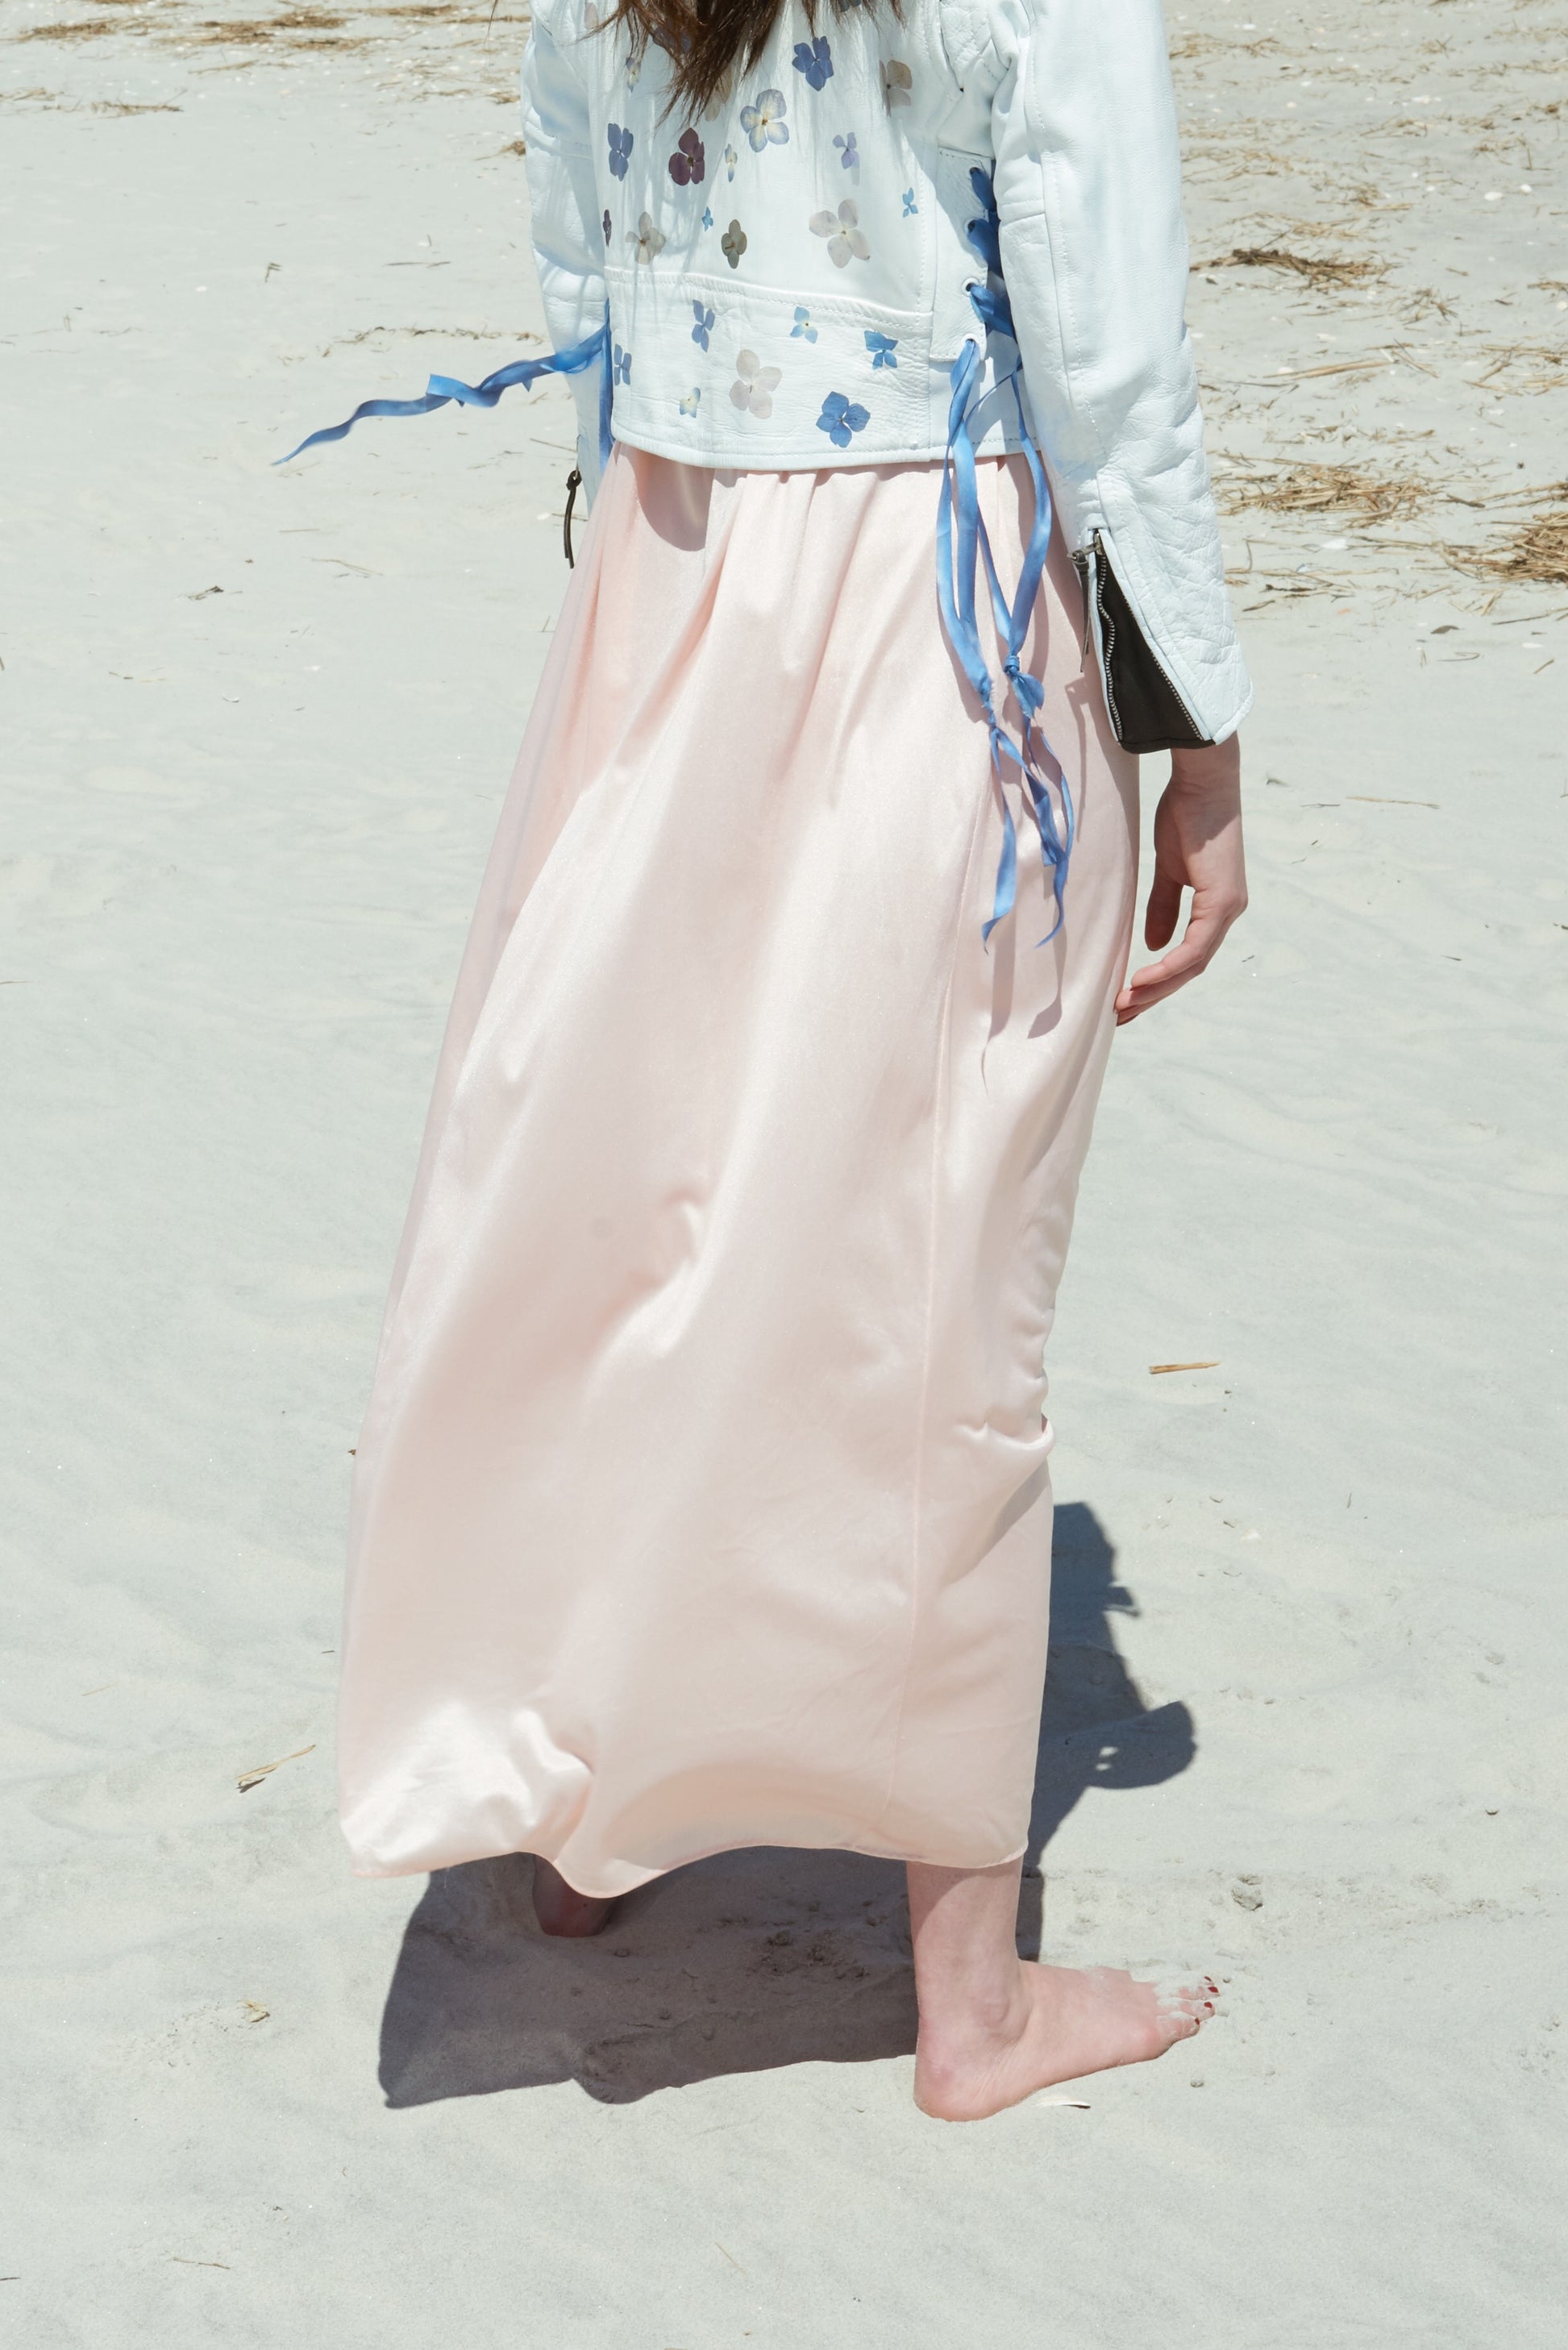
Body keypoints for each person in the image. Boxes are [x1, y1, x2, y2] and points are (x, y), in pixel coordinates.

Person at [334, 0, 1247, 2123]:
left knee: (618, 1201)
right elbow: (1108, 345)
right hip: (945, 584)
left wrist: (645, 519)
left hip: (665, 569)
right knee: (934, 1286)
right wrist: (1191, 715)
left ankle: (575, 1820)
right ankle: (972, 1999)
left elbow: (574, 251)